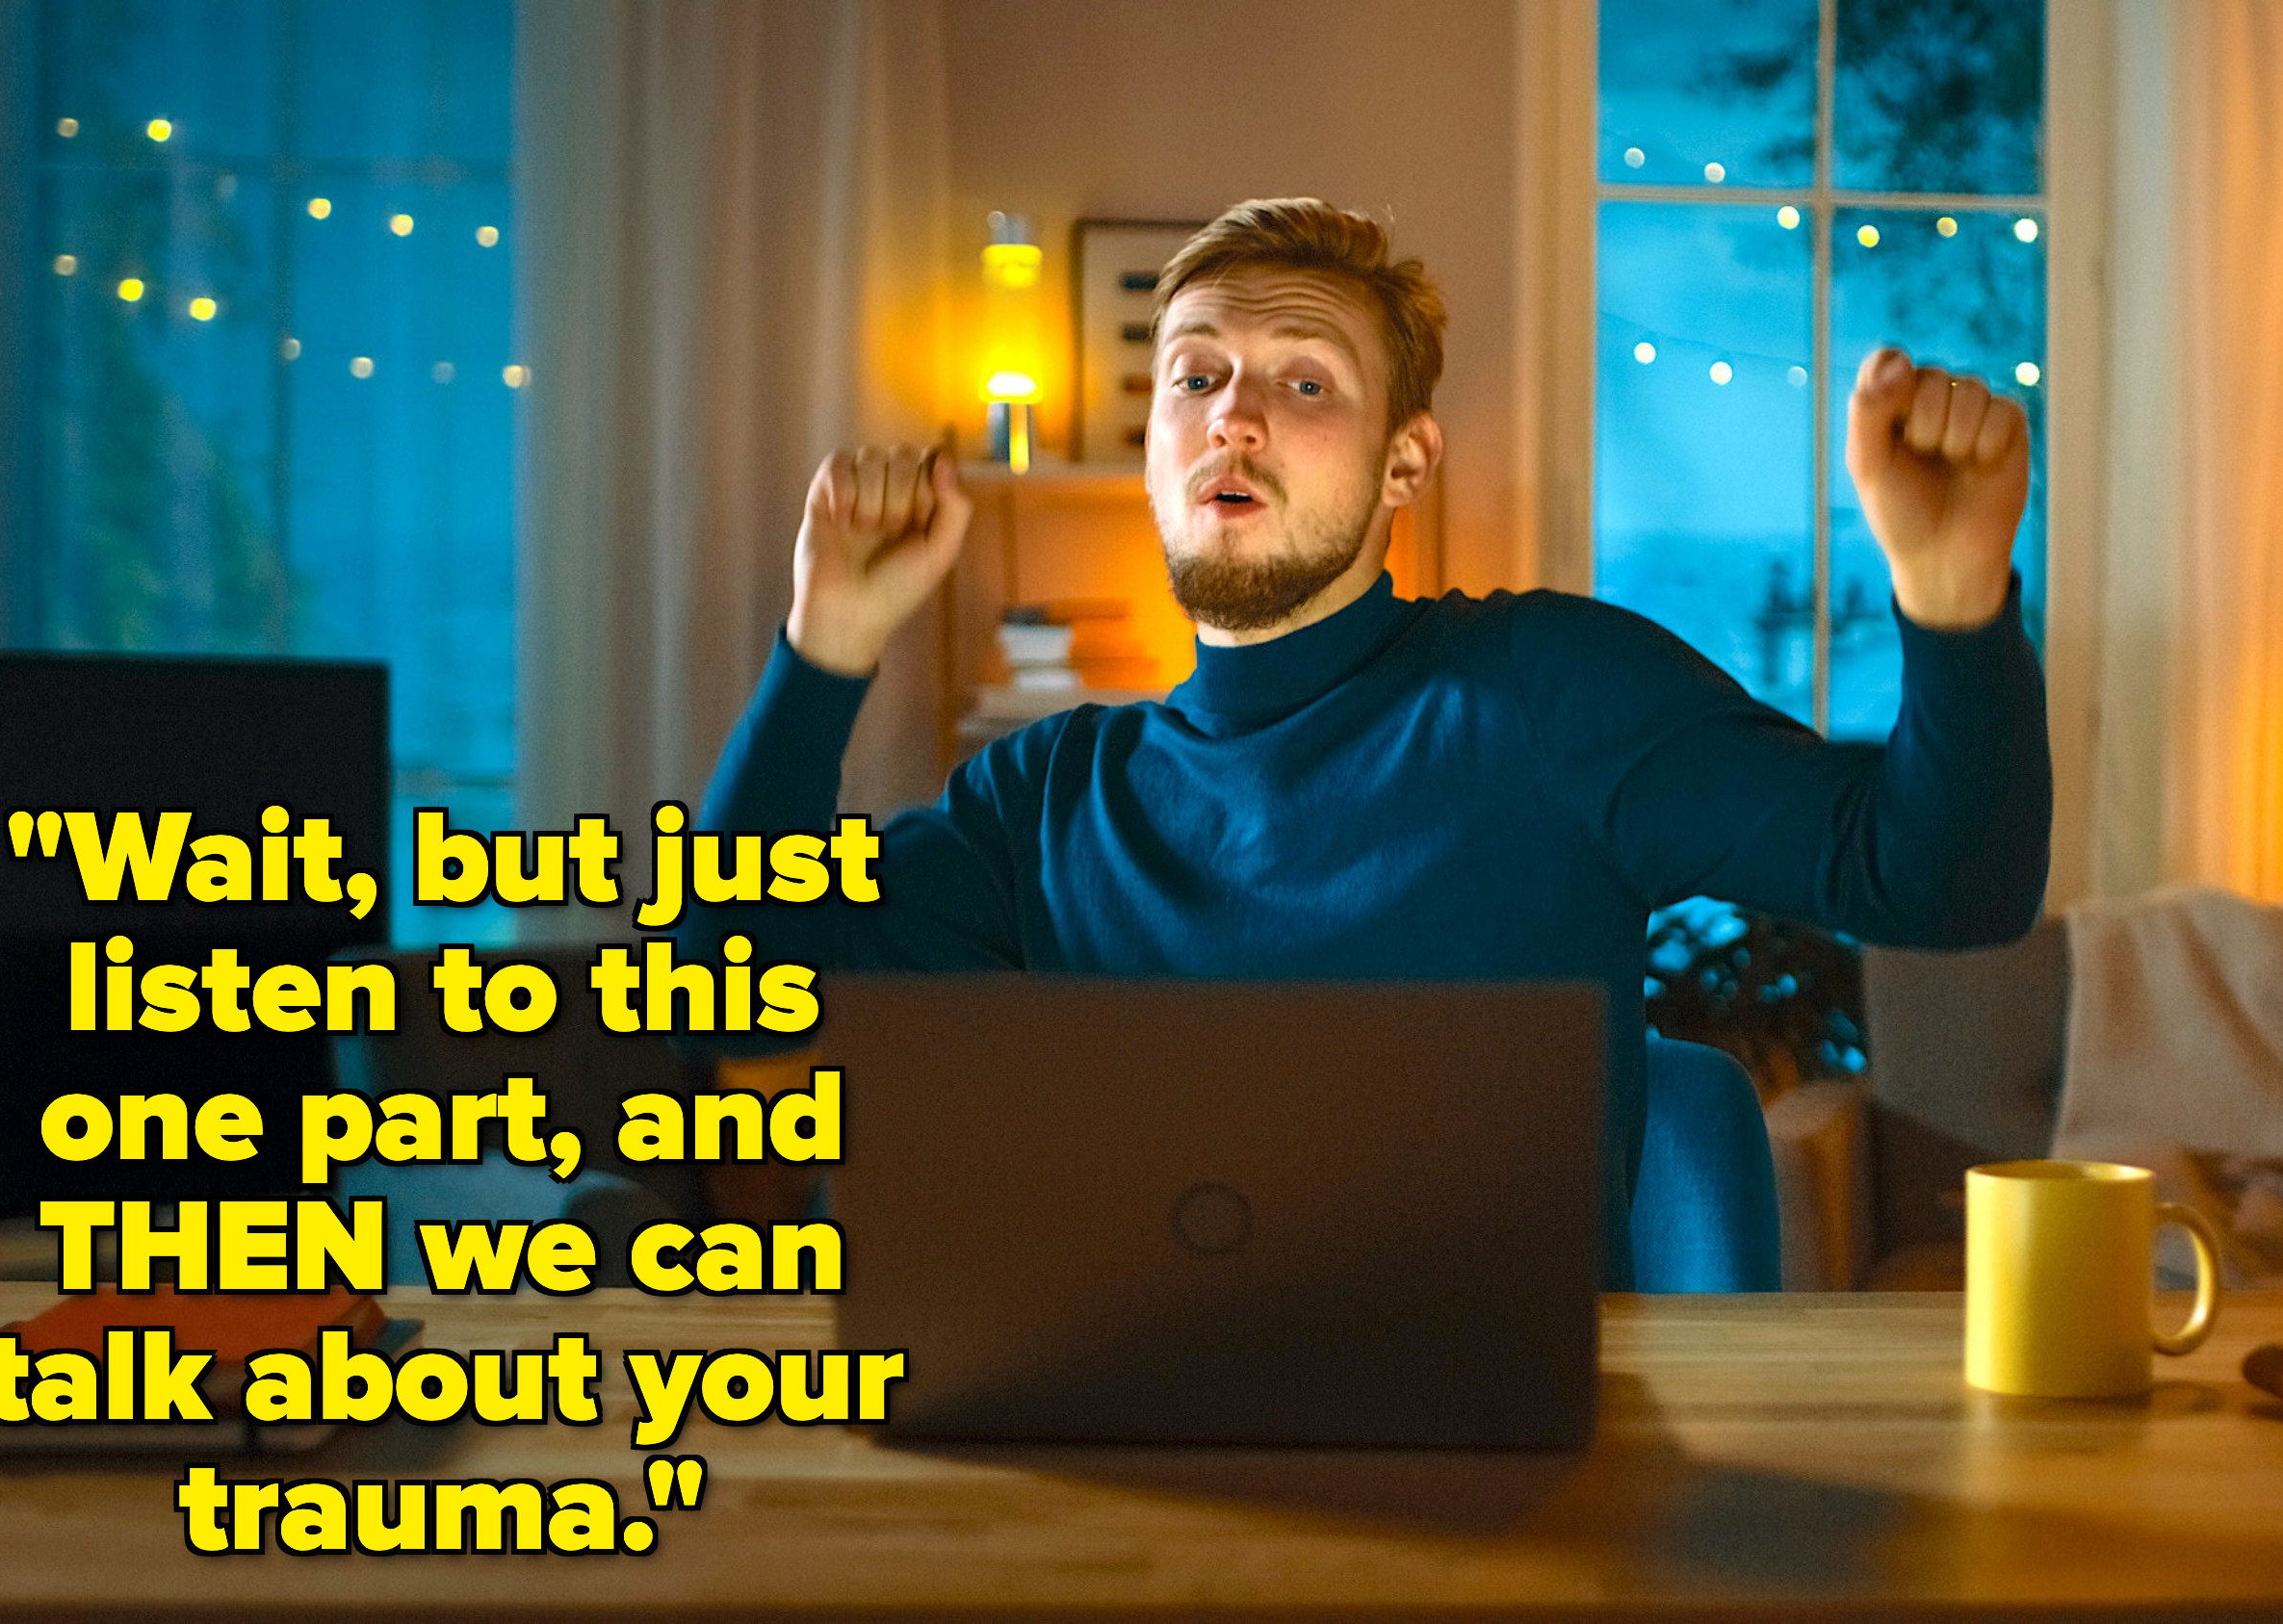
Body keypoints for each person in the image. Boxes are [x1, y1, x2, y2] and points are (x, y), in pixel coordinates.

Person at [681, 197, 2050, 1288]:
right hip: (1143, 1461)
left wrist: (1953, 599)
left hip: (1525, 1490)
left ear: (1406, 464)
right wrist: (825, 648)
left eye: (1307, 383)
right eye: (1198, 376)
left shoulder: (1545, 694)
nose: (1236, 411)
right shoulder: (1043, 799)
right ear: (1157, 447)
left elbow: (1943, 880)